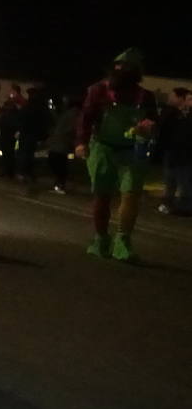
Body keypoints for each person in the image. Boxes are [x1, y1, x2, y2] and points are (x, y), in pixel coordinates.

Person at [76, 49, 158, 261]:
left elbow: (153, 123)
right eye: (119, 67)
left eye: (128, 68)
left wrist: (148, 128)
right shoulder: (98, 91)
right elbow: (86, 117)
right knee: (102, 195)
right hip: (102, 147)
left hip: (132, 150)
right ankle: (101, 238)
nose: (122, 71)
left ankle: (123, 241)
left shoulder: (145, 96)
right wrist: (81, 143)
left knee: (131, 194)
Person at [155, 87, 192, 215]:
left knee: (184, 182)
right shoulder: (177, 114)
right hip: (173, 153)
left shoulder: (186, 117)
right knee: (170, 180)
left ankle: (185, 207)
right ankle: (168, 204)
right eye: (188, 99)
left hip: (185, 155)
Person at [45, 94, 79, 193]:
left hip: (64, 140)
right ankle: (59, 182)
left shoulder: (74, 113)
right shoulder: (67, 112)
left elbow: (71, 127)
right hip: (59, 140)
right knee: (55, 160)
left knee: (58, 161)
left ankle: (61, 183)